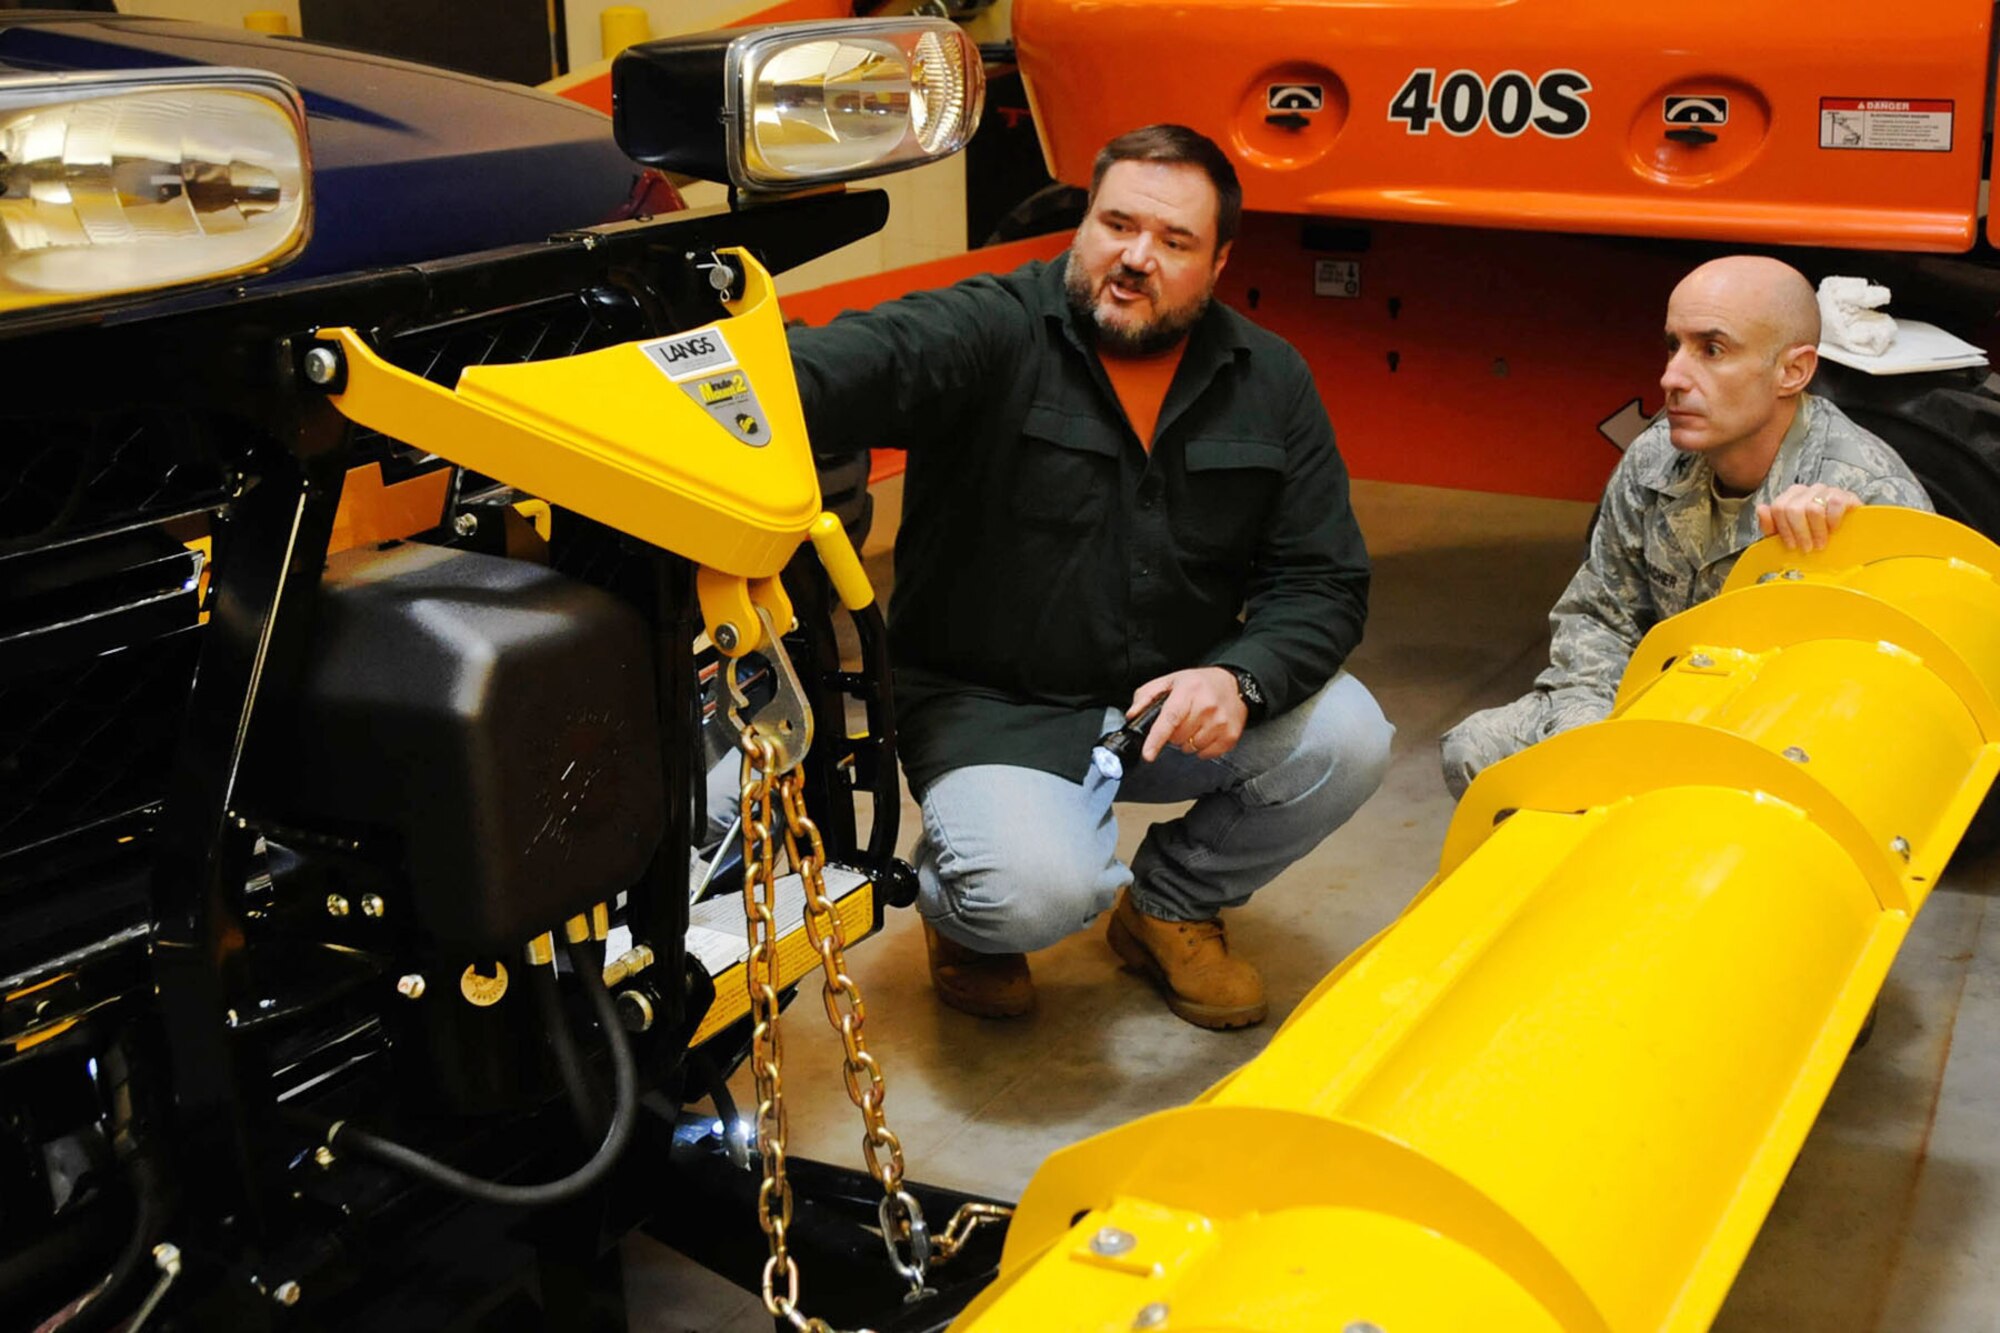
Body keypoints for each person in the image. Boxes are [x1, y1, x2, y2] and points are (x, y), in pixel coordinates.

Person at [786, 124, 1393, 1029]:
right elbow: (845, 364)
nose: (1136, 257)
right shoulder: (992, 330)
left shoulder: (1269, 378)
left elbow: (1323, 579)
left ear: (1219, 262)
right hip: (998, 709)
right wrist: (704, 374)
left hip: (1165, 707)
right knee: (1031, 895)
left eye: (1174, 241)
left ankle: (1169, 905)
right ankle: (970, 917)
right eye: (1117, 224)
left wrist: (1237, 678)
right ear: (1084, 223)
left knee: (1349, 736)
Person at [1440, 255, 1933, 798]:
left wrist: (1843, 556)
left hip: (1786, 749)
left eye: (1712, 350)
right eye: (1673, 346)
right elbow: (1600, 617)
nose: (1671, 377)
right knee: (1480, 750)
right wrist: (1590, 730)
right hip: (1666, 711)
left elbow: (1901, 708)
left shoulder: (1866, 496)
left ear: (1792, 372)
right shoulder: (1656, 458)